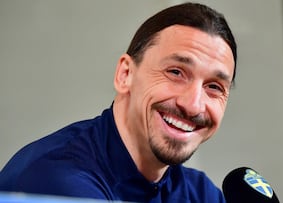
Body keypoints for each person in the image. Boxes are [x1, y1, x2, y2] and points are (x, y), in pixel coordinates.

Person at [0, 2, 237, 202]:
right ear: (125, 75)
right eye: (175, 72)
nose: (193, 105)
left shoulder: (199, 193)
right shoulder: (56, 180)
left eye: (214, 87)